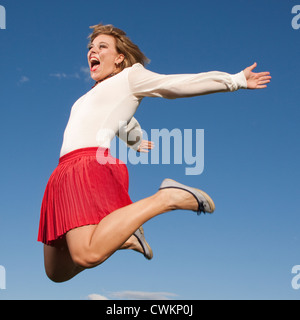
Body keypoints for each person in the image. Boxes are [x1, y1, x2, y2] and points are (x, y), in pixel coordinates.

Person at [38, 24, 271, 283]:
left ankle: (167, 197)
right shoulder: (90, 95)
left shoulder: (130, 77)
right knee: (56, 272)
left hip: (88, 166)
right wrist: (135, 140)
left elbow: (176, 84)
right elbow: (116, 118)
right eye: (91, 48)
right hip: (62, 173)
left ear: (119, 58)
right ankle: (126, 236)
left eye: (102, 46)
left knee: (87, 254)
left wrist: (235, 80)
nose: (93, 51)